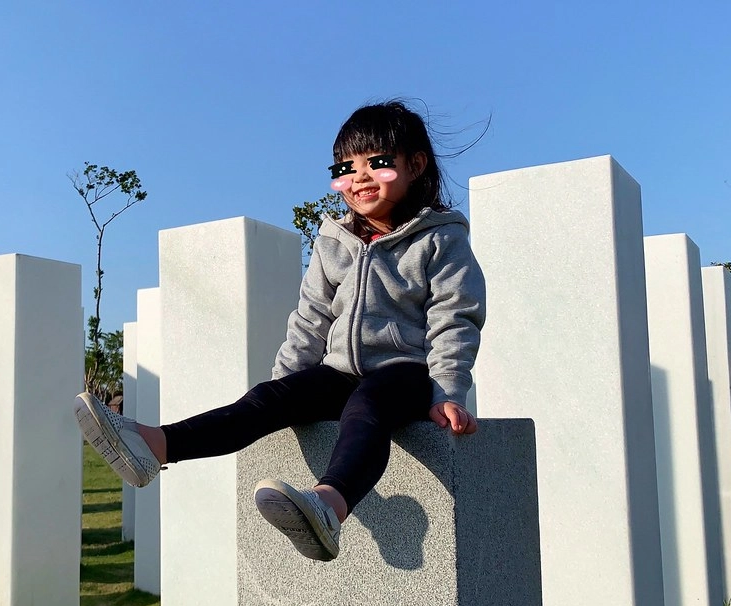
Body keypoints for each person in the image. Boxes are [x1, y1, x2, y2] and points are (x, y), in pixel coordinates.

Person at [74, 99, 486, 562]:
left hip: (403, 373)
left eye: (379, 163)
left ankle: (327, 508)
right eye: (346, 167)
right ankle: (153, 445)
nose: (359, 177)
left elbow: (456, 316)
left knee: (366, 407)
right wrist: (286, 383)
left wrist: (446, 392)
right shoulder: (336, 239)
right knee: (264, 400)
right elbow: (310, 319)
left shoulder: (440, 238)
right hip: (340, 371)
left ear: (415, 164)